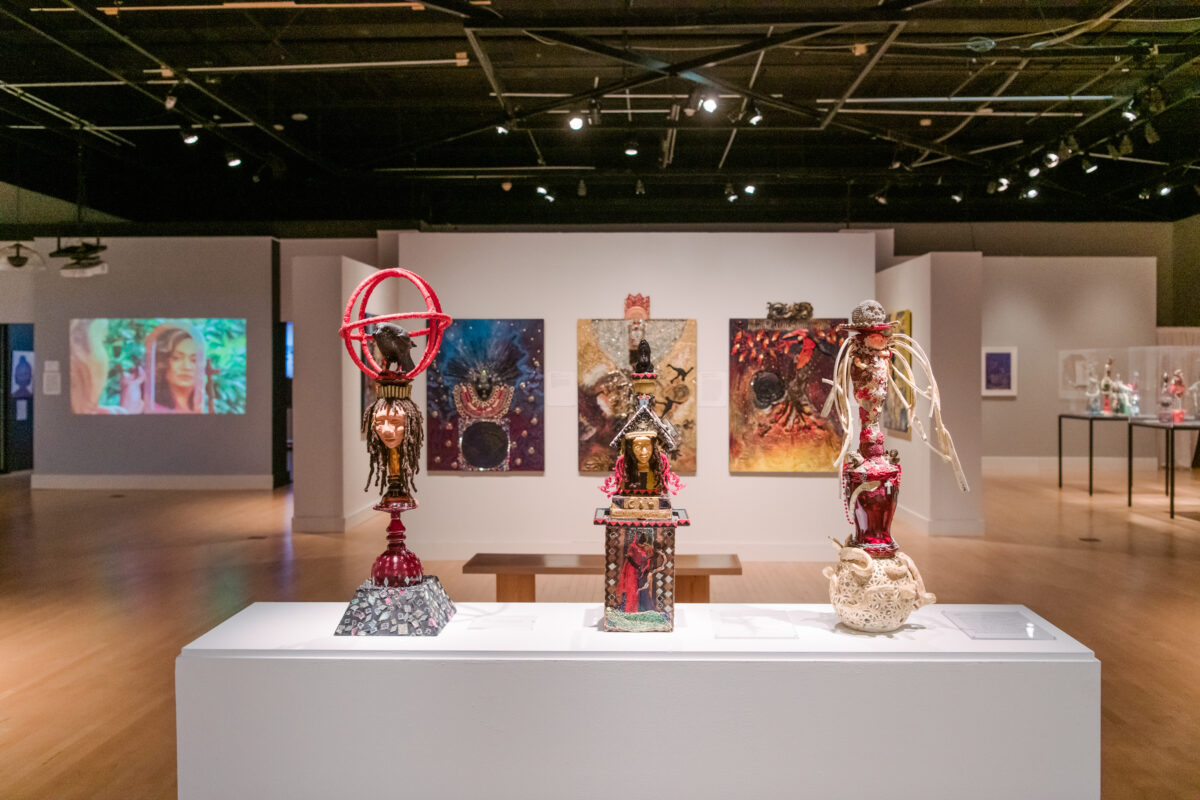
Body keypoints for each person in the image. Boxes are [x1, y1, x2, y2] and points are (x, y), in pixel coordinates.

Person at [148, 326, 204, 413]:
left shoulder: (204, 406)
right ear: (163, 363)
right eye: (177, 358)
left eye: (194, 360)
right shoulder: (152, 408)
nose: (187, 367)